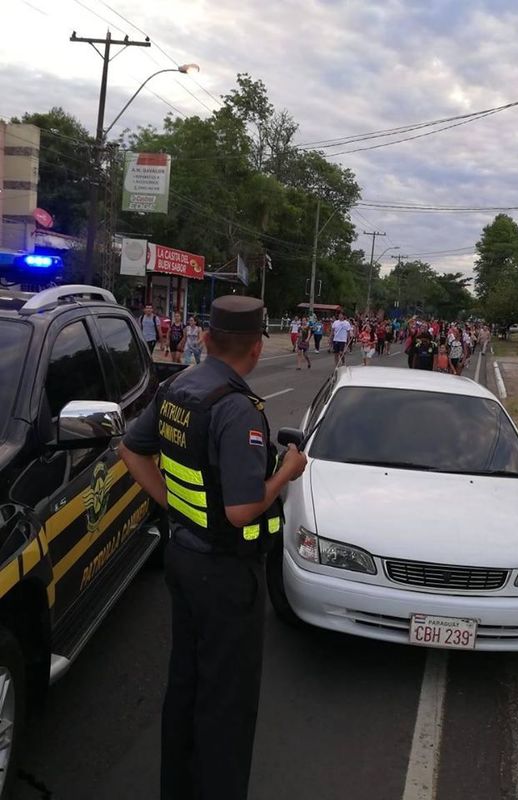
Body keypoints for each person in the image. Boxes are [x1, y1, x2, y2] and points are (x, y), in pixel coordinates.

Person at [119, 296, 307, 800]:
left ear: (204, 339)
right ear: (255, 347)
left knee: (185, 683)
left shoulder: (177, 387)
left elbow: (131, 451)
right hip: (225, 575)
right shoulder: (236, 409)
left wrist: (174, 508)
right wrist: (286, 471)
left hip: (183, 557)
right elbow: (243, 510)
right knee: (227, 701)